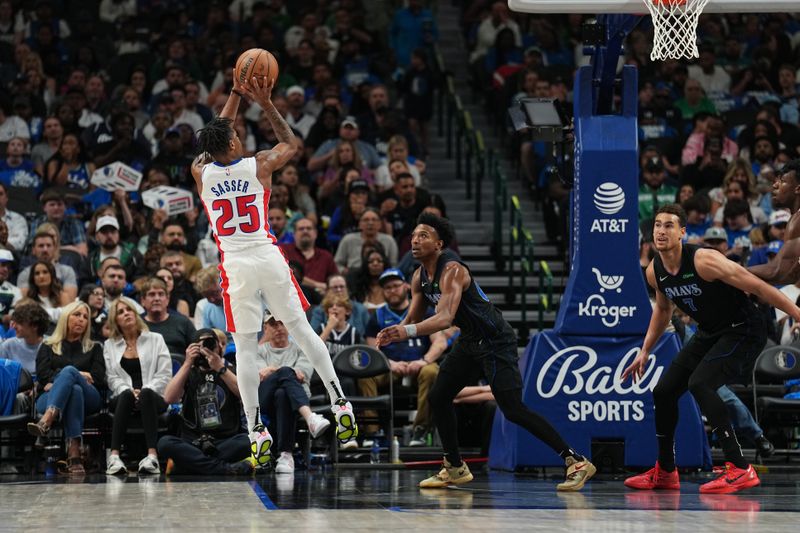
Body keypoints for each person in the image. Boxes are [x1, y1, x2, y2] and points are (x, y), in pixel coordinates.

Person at [192, 74, 357, 466]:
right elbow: (292, 144)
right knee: (301, 329)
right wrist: (265, 103)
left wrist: (233, 94)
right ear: (233, 142)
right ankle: (340, 402)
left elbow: (214, 137)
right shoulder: (259, 164)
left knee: (246, 348)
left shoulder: (201, 171)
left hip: (234, 265)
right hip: (267, 256)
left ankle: (255, 430)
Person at [376, 213, 595, 490]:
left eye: (423, 236)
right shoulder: (419, 275)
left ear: (439, 244)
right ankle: (454, 466)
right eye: (414, 236)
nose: (415, 240)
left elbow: (444, 319)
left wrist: (405, 332)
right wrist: (394, 331)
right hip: (470, 341)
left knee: (513, 409)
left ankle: (576, 461)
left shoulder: (453, 270)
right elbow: (413, 316)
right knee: (439, 396)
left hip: (495, 341)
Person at [622, 204, 800, 494]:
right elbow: (663, 310)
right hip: (711, 332)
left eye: (669, 225)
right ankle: (666, 471)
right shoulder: (654, 270)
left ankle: (739, 467)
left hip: (744, 327)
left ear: (682, 232)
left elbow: (758, 287)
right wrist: (645, 350)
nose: (661, 231)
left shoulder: (705, 261)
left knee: (701, 384)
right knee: (665, 391)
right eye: (657, 225)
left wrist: (797, 312)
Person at [364, 268, 447, 445]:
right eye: (387, 288)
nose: (392, 290)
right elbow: (373, 350)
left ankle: (421, 430)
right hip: (390, 367)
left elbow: (440, 342)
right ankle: (373, 432)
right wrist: (390, 364)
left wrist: (424, 360)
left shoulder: (424, 311)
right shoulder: (377, 316)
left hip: (420, 364)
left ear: (406, 287)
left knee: (432, 372)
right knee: (366, 375)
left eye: (395, 285)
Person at [157, 328, 254, 475]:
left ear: (219, 346)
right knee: (164, 443)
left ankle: (189, 464)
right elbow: (169, 398)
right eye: (201, 345)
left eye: (210, 344)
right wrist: (187, 362)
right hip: (193, 441)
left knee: (247, 441)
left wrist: (219, 368)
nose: (206, 349)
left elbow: (245, 395)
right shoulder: (188, 372)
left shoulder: (230, 369)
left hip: (224, 440)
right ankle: (225, 469)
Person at [27, 301, 106, 475]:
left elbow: (98, 379)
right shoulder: (48, 346)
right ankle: (74, 455)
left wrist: (67, 376)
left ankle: (47, 419)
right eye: (76, 315)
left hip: (90, 398)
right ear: (65, 318)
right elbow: (42, 376)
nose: (81, 320)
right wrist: (79, 376)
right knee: (74, 391)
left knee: (70, 373)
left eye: (85, 317)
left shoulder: (95, 348)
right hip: (50, 396)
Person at [103, 296, 171, 475]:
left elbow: (164, 374)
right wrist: (129, 390)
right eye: (120, 312)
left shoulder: (156, 339)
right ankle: (115, 457)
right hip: (124, 396)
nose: (126, 314)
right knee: (125, 395)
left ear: (135, 313)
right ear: (115, 320)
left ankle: (152, 456)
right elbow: (111, 378)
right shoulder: (109, 345)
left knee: (147, 394)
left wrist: (145, 390)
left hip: (154, 396)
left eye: (129, 310)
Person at [257, 314, 331, 474]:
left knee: (283, 394)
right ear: (266, 329)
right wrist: (284, 371)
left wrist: (272, 369)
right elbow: (261, 377)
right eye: (273, 324)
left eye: (281, 323)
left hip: (291, 400)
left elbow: (303, 375)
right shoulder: (258, 351)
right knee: (285, 375)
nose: (278, 328)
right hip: (265, 399)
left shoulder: (302, 350)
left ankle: (285, 455)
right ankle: (310, 417)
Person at [141, 277, 196, 355]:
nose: (157, 298)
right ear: (143, 300)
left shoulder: (183, 322)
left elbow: (196, 350)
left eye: (161, 294)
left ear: (167, 299)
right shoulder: (136, 324)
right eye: (152, 294)